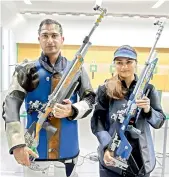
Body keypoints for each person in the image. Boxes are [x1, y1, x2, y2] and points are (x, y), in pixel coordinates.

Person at [2, 19, 95, 177]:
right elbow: (10, 106)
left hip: (68, 149)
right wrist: (17, 143)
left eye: (54, 35)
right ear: (39, 39)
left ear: (62, 39)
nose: (50, 40)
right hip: (34, 150)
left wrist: (72, 110)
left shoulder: (76, 70)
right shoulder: (25, 70)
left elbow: (90, 100)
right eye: (45, 35)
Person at [91, 45, 166, 177]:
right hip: (112, 156)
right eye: (119, 63)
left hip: (140, 157)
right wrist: (107, 147)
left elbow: (159, 121)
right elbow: (97, 122)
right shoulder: (105, 88)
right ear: (114, 64)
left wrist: (148, 110)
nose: (124, 67)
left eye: (129, 62)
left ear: (136, 64)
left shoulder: (148, 89)